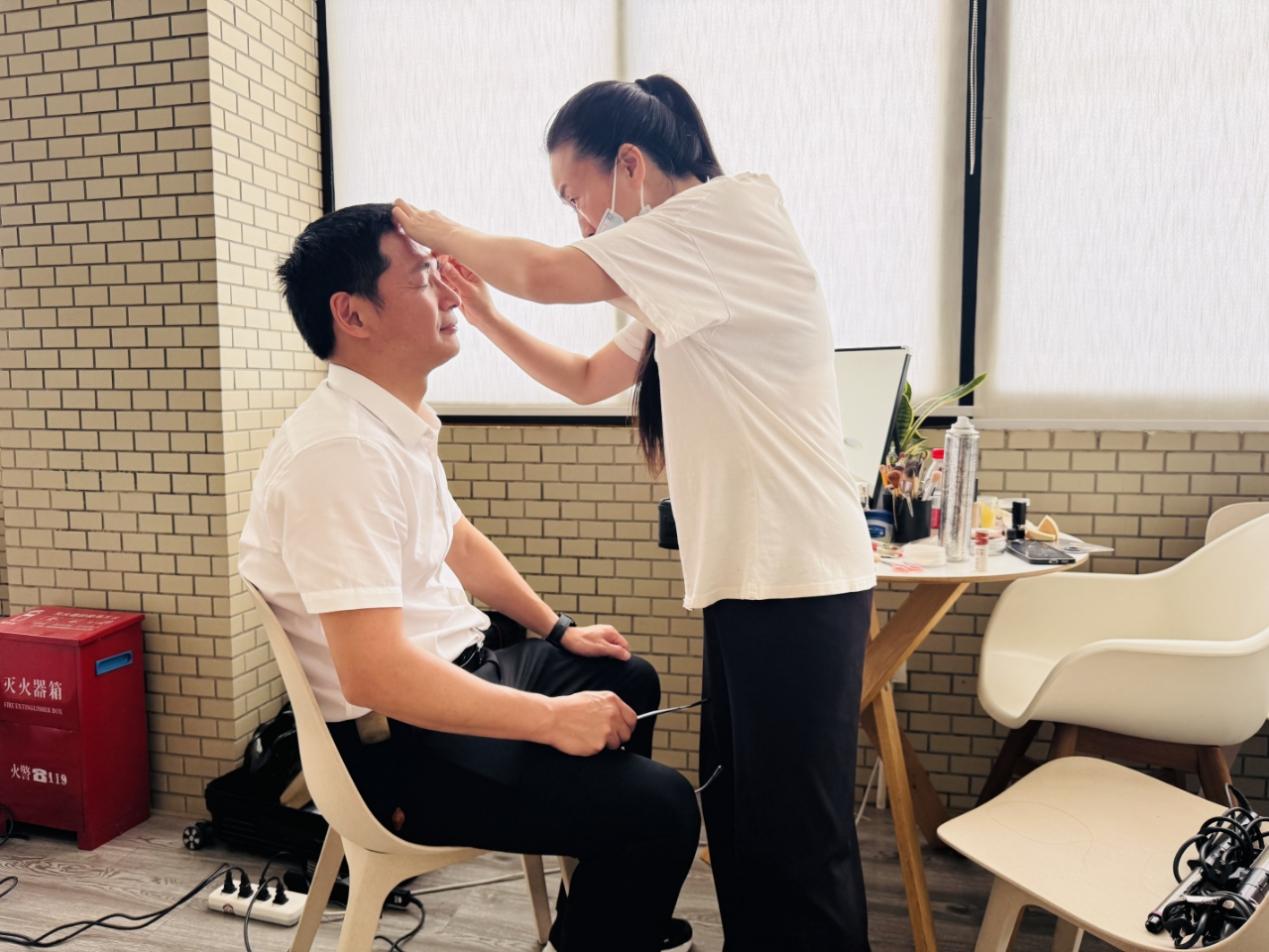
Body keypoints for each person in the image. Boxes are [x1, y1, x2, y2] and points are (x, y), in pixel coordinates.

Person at [390, 76, 878, 951]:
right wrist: (487, 316)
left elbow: (547, 273)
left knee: (798, 839)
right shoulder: (679, 273)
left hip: (798, 575)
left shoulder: (726, 215)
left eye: (572, 195)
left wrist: (429, 227)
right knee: (742, 816)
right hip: (750, 579)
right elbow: (585, 380)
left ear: (628, 164)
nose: (579, 221)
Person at [239, 203, 698, 952]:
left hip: (461, 674)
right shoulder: (339, 456)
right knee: (665, 809)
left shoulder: (392, 423)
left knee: (627, 678)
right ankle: (615, 902)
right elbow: (374, 673)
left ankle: (605, 913)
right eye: (424, 279)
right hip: (401, 748)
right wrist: (548, 720)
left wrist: (558, 630)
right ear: (352, 314)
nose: (451, 293)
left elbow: (457, 539)